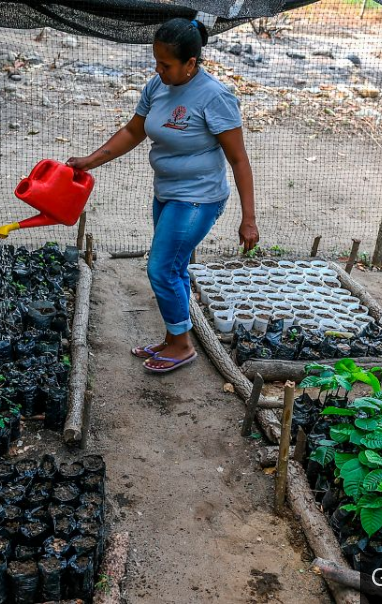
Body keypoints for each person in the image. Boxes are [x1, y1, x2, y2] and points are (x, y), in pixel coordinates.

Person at [67, 18, 260, 373]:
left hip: (198, 198)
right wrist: (89, 161)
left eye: (166, 64)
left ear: (191, 63)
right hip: (168, 193)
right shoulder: (157, 86)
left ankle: (182, 345)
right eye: (156, 61)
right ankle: (175, 337)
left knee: (161, 267)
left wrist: (248, 219)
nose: (158, 70)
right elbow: (132, 131)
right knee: (174, 267)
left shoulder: (215, 97)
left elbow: (238, 159)